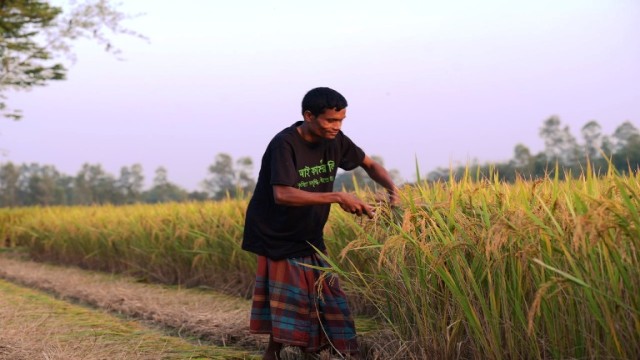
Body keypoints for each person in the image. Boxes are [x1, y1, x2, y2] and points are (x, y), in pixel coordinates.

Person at [242, 87, 399, 360]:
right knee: (292, 299)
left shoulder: (335, 140)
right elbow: (283, 193)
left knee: (326, 292)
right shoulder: (285, 144)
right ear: (308, 116)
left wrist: (393, 190)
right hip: (275, 233)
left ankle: (309, 351)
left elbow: (370, 165)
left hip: (308, 233)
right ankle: (275, 352)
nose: (336, 126)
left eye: (341, 120)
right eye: (330, 120)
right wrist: (338, 196)